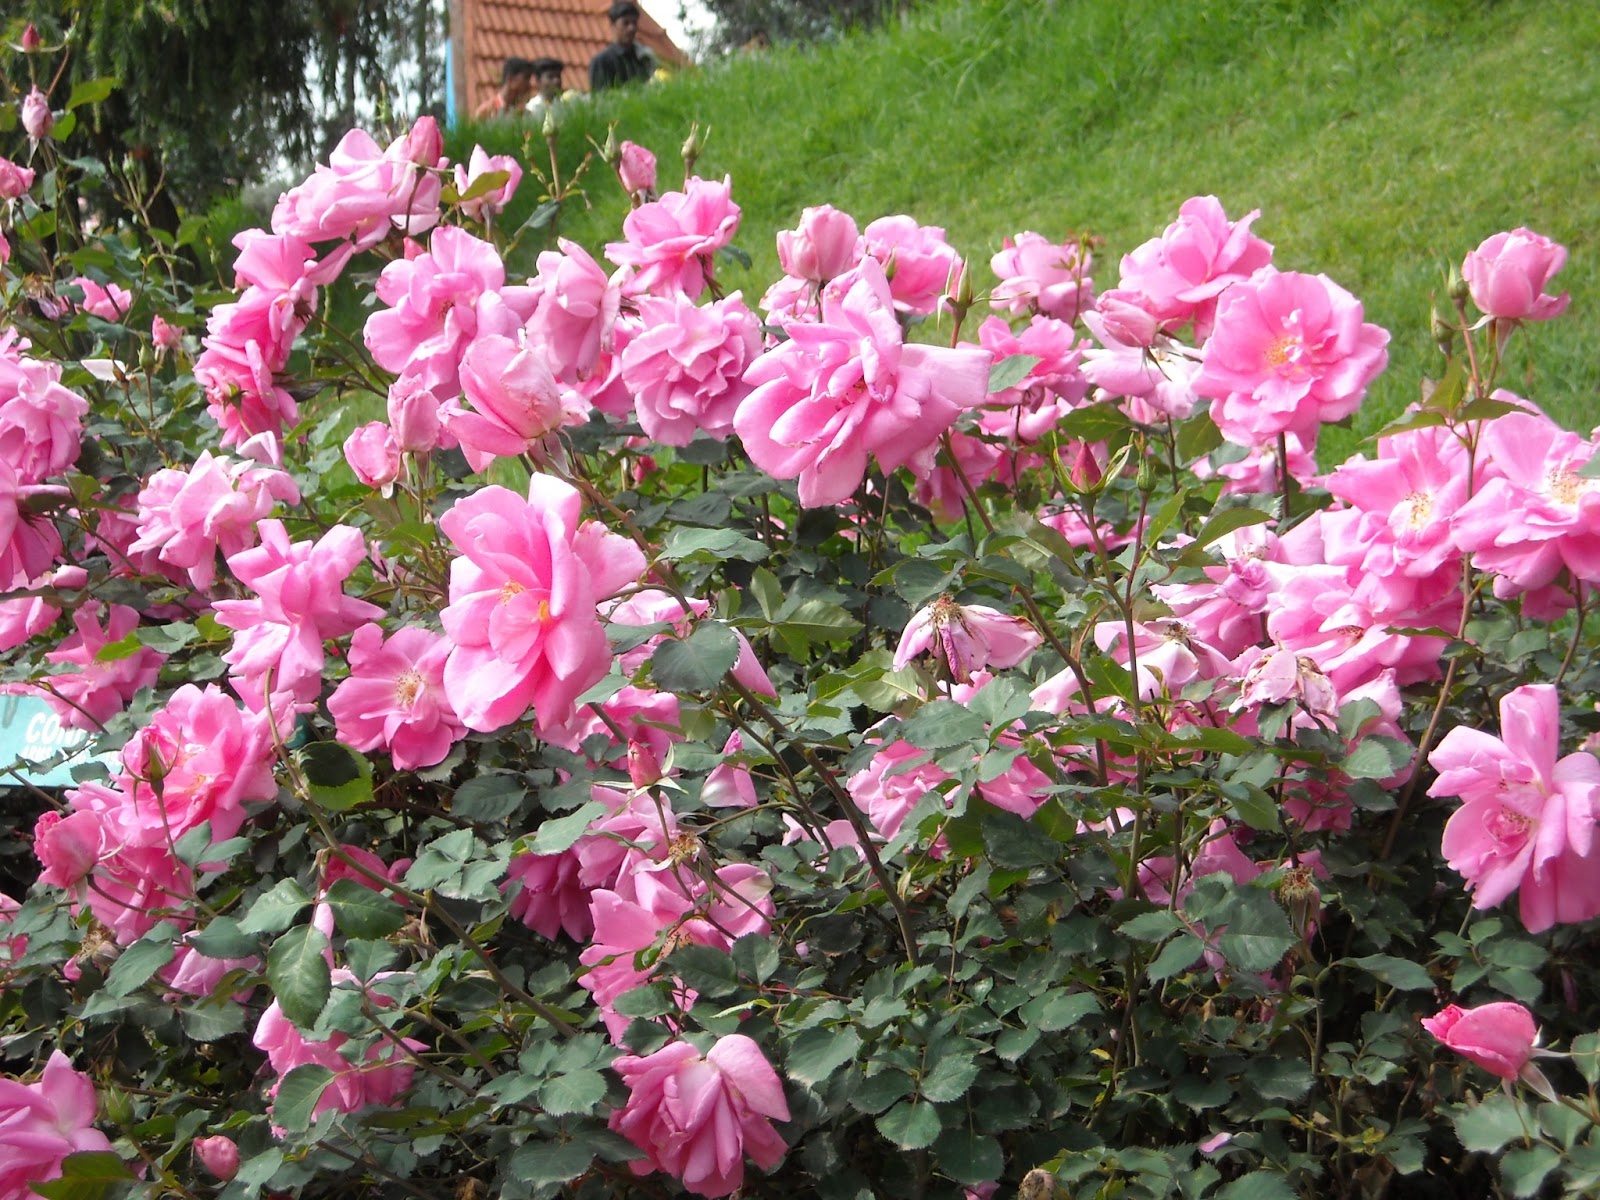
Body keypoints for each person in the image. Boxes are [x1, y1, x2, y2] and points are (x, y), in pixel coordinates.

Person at [589, 2, 654, 92]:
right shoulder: (601, 62)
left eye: (634, 23)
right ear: (613, 26)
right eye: (625, 23)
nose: (632, 28)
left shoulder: (643, 58)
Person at [527, 57, 567, 125]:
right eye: (550, 77)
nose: (556, 81)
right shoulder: (532, 109)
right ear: (537, 80)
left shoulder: (565, 108)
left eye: (558, 76)